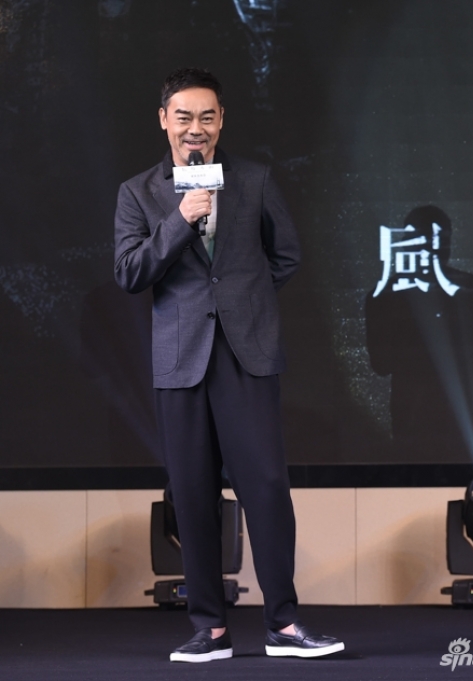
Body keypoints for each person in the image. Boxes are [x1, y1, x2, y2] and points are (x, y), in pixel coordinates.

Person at [114, 67, 344, 663]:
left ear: (221, 122)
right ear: (164, 120)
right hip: (181, 361)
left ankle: (284, 624)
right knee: (192, 495)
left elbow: (285, 255)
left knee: (265, 488)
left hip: (247, 353)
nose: (196, 128)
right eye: (184, 117)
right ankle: (209, 629)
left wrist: (243, 302)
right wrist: (180, 220)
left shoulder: (254, 179)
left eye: (207, 117)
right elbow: (131, 272)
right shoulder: (138, 193)